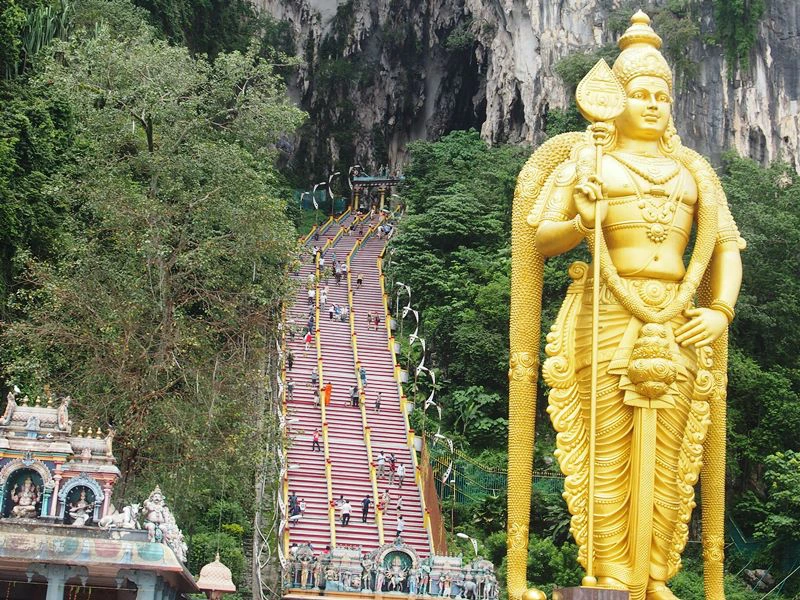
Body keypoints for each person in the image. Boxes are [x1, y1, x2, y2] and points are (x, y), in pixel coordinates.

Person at [507, 12, 744, 600]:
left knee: (674, 452)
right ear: (614, 101)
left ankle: (657, 573)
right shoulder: (588, 163)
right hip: (606, 310)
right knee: (604, 449)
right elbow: (539, 237)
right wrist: (582, 220)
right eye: (639, 93)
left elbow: (726, 248)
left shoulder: (695, 174)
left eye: (662, 95)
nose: (652, 103)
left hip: (681, 317)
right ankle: (613, 574)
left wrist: (722, 310)